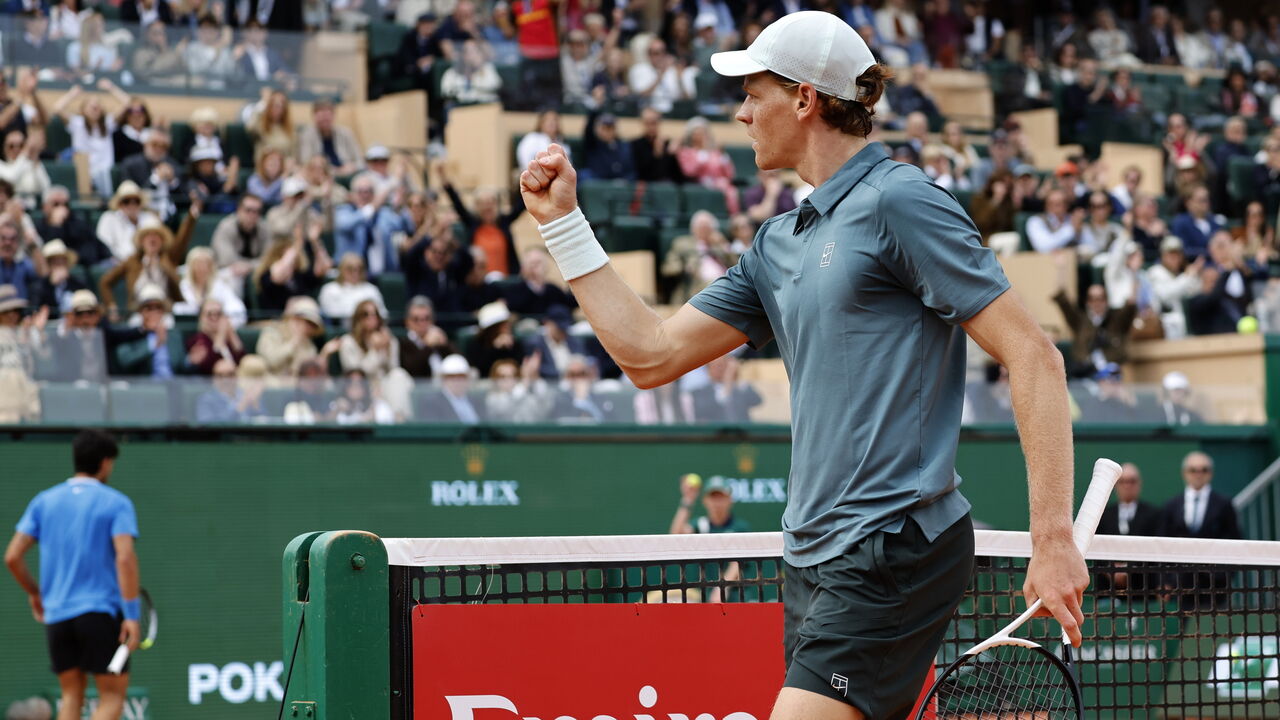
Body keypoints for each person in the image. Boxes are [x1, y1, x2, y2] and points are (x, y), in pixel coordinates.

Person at [518, 12, 1086, 720]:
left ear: (804, 99)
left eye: (754, 94)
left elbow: (1033, 355)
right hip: (812, 557)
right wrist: (563, 225)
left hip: (894, 543)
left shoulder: (901, 201)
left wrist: (1052, 538)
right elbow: (650, 355)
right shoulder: (777, 242)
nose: (741, 112)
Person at [5, 430, 141, 720]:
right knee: (113, 696)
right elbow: (125, 558)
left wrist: (35, 593)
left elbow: (12, 557)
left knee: (70, 697)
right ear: (105, 463)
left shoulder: (44, 501)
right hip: (101, 615)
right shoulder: (116, 503)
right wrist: (131, 614)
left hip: (57, 618)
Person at [1161, 451, 1241, 610]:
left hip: (1215, 585)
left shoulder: (1224, 505)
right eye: (1193, 470)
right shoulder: (1172, 506)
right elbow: (1162, 543)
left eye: (1203, 470)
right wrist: (1165, 580)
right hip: (1181, 585)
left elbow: (1234, 540)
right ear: (1185, 473)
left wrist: (1225, 575)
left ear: (1210, 473)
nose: (1198, 474)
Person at [440, 164, 524, 277]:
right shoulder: (472, 223)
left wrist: (525, 180)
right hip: (479, 282)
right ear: (477, 207)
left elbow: (521, 205)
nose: (487, 207)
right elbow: (458, 204)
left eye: (491, 202)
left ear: (497, 205)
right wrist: (444, 179)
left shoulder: (504, 221)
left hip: (505, 282)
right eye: (483, 203)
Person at [662, 210, 736, 305]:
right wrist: (684, 267)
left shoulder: (718, 245)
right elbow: (668, 268)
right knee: (716, 285)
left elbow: (737, 265)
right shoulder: (682, 243)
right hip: (697, 286)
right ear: (693, 229)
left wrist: (723, 244)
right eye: (700, 227)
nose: (704, 231)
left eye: (707, 228)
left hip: (725, 284)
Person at [211, 194, 271, 287]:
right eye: (248, 210)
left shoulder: (264, 228)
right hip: (226, 271)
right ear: (239, 210)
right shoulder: (226, 226)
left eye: (257, 211)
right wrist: (249, 265)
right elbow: (226, 259)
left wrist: (248, 266)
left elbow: (268, 258)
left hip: (253, 270)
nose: (252, 215)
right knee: (233, 276)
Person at [256, 295, 323, 377]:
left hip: (297, 387)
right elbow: (272, 362)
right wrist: (294, 342)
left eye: (313, 326)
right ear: (294, 319)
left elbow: (305, 374)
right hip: (270, 384)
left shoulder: (309, 345)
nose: (309, 328)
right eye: (307, 322)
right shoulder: (271, 333)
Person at [297, 99, 363, 177]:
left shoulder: (346, 133)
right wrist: (330, 170)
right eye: (321, 116)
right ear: (314, 116)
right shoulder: (307, 135)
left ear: (333, 116)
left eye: (327, 116)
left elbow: (359, 160)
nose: (325, 119)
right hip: (322, 175)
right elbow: (305, 161)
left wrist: (352, 167)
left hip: (349, 173)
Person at [689, 352, 761, 423]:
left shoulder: (739, 386)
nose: (721, 369)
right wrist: (727, 386)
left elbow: (757, 401)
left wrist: (736, 379)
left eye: (723, 365)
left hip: (742, 432)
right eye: (717, 366)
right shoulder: (700, 392)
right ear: (708, 369)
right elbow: (702, 411)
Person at [319, 253, 388, 323]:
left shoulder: (371, 289)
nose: (355, 273)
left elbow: (382, 314)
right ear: (341, 270)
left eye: (359, 269)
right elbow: (332, 315)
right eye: (350, 269)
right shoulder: (329, 289)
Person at [485, 355, 554, 423]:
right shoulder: (492, 398)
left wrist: (534, 375)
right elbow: (506, 408)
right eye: (502, 376)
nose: (508, 380)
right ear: (494, 378)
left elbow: (545, 409)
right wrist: (525, 380)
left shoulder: (525, 394)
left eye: (512, 376)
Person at [399, 296, 456, 378]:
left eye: (426, 318)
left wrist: (445, 344)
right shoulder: (403, 342)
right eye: (416, 319)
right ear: (407, 322)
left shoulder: (437, 337)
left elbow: (459, 361)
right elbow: (412, 370)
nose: (422, 323)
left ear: (433, 320)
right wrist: (428, 346)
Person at [417, 353, 484, 423]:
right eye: (451, 377)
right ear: (443, 379)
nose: (457, 381)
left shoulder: (477, 401)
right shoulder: (431, 404)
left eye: (461, 376)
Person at [630, 107, 684, 183]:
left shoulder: (667, 144)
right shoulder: (635, 144)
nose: (651, 127)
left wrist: (673, 155)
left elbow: (677, 176)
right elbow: (641, 173)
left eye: (654, 122)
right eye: (647, 123)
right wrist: (656, 154)